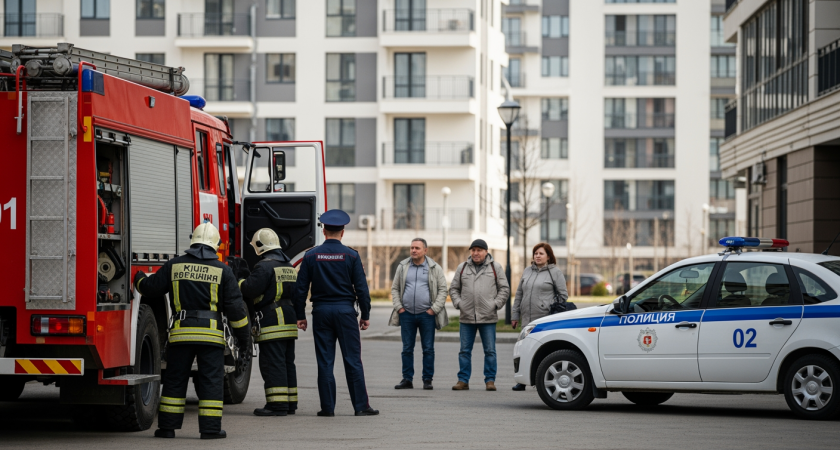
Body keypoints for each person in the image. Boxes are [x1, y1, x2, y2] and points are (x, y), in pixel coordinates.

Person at [133, 223, 250, 440]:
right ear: (215, 245)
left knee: (175, 380)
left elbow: (150, 288)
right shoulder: (223, 270)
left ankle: (167, 428)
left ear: (193, 241)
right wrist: (245, 341)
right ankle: (210, 429)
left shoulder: (175, 265)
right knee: (211, 382)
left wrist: (138, 277)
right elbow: (236, 310)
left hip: (181, 335)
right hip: (211, 337)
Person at [294, 209, 379, 417]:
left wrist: (300, 315)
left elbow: (300, 289)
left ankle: (327, 408)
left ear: (323, 231)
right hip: (345, 313)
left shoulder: (311, 255)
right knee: (353, 360)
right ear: (343, 232)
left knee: (324, 361)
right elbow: (362, 289)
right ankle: (360, 406)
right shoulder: (351, 255)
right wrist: (365, 314)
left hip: (321, 312)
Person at [234, 228, 299, 416]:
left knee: (273, 363)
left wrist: (238, 281)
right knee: (287, 363)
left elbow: (249, 289)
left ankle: (277, 405)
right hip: (289, 320)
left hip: (272, 322)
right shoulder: (288, 265)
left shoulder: (264, 266)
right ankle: (290, 403)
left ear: (260, 246)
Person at [449, 239, 510, 391]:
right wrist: (459, 303)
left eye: (479, 250)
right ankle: (463, 380)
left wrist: (495, 304)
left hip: (488, 317)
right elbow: (453, 289)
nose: (476, 253)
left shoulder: (495, 267)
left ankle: (490, 381)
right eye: (473, 250)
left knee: (490, 351)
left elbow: (504, 289)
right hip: (466, 317)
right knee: (464, 351)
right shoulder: (462, 267)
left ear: (486, 252)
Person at [389, 238, 449, 390]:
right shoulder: (403, 266)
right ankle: (407, 379)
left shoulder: (434, 267)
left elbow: (443, 290)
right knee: (407, 349)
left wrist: (434, 309)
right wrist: (399, 307)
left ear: (425, 250)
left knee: (428, 348)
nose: (413, 250)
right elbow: (395, 288)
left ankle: (427, 380)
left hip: (427, 315)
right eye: (412, 248)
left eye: (417, 248)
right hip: (406, 314)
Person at [511, 243, 567, 391]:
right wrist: (515, 314)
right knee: (524, 349)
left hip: (544, 318)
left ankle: (545, 379)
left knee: (543, 349)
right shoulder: (527, 271)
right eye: (535, 253)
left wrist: (548, 306)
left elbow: (563, 296)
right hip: (526, 318)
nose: (537, 256)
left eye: (541, 253)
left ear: (548, 256)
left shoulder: (555, 272)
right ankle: (522, 381)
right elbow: (519, 294)